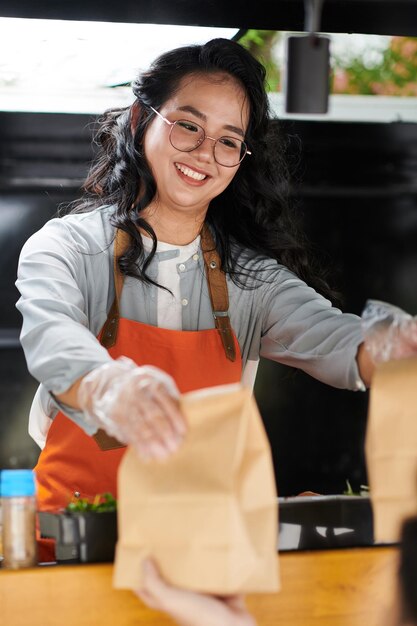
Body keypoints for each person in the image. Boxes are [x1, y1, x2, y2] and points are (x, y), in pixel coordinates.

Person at [16, 38, 416, 563]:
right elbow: (53, 338)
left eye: (229, 141)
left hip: (201, 552)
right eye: (189, 125)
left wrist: (397, 345)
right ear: (142, 118)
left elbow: (342, 342)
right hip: (75, 548)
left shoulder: (251, 280)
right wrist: (111, 386)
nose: (206, 152)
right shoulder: (66, 248)